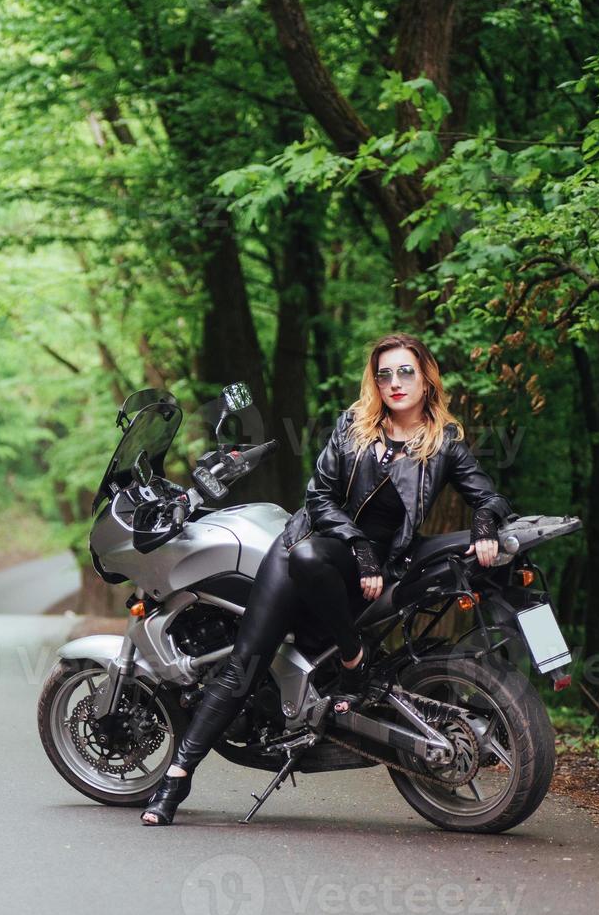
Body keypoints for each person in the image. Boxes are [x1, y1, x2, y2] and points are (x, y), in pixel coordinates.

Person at [140, 332, 513, 825]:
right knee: (245, 662)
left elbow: (489, 497)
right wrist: (359, 547)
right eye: (385, 374)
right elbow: (318, 497)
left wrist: (485, 527)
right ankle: (176, 780)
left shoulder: (443, 443)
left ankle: (349, 661)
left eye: (405, 372)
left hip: (374, 569)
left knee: (318, 565)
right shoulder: (352, 426)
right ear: (374, 382)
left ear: (426, 377)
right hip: (306, 548)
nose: (395, 382)